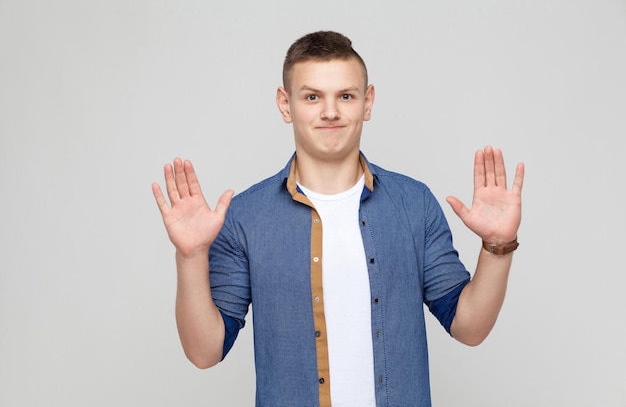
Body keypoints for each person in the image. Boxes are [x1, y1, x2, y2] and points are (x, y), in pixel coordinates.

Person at [152, 30, 524, 407]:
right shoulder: (246, 217)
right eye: (312, 97)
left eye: (345, 96)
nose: (330, 112)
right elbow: (204, 352)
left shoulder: (414, 205)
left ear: (368, 102)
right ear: (285, 104)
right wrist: (191, 255)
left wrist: (498, 247)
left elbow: (470, 328)